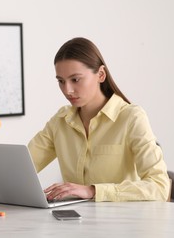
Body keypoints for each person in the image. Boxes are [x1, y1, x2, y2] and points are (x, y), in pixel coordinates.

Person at [28, 37, 170, 202]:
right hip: (74, 223)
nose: (67, 90)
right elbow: (22, 168)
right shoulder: (60, 121)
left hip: (123, 223)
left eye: (75, 79)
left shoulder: (131, 118)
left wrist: (93, 190)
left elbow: (160, 187)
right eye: (61, 81)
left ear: (101, 75)